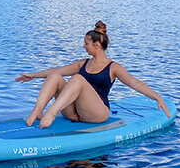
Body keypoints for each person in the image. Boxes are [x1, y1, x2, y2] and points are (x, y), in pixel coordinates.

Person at [16, 21, 170, 128]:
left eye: (86, 43)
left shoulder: (113, 67)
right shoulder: (82, 63)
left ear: (96, 45)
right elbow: (56, 71)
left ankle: (52, 112)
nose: (83, 46)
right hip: (75, 112)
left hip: (97, 113)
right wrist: (34, 75)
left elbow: (134, 83)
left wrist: (157, 97)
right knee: (55, 76)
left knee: (77, 79)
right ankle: (37, 111)